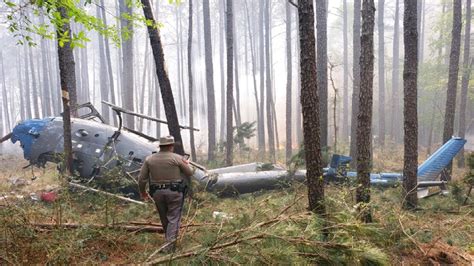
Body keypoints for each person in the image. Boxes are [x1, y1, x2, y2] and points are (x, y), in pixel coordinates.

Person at [138, 135, 194, 253]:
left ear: (161, 146)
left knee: (164, 218)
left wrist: (143, 192)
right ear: (171, 146)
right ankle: (169, 247)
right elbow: (189, 172)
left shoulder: (149, 159)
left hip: (157, 193)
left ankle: (168, 242)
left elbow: (142, 179)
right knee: (174, 218)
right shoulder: (177, 158)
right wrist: (187, 163)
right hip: (175, 192)